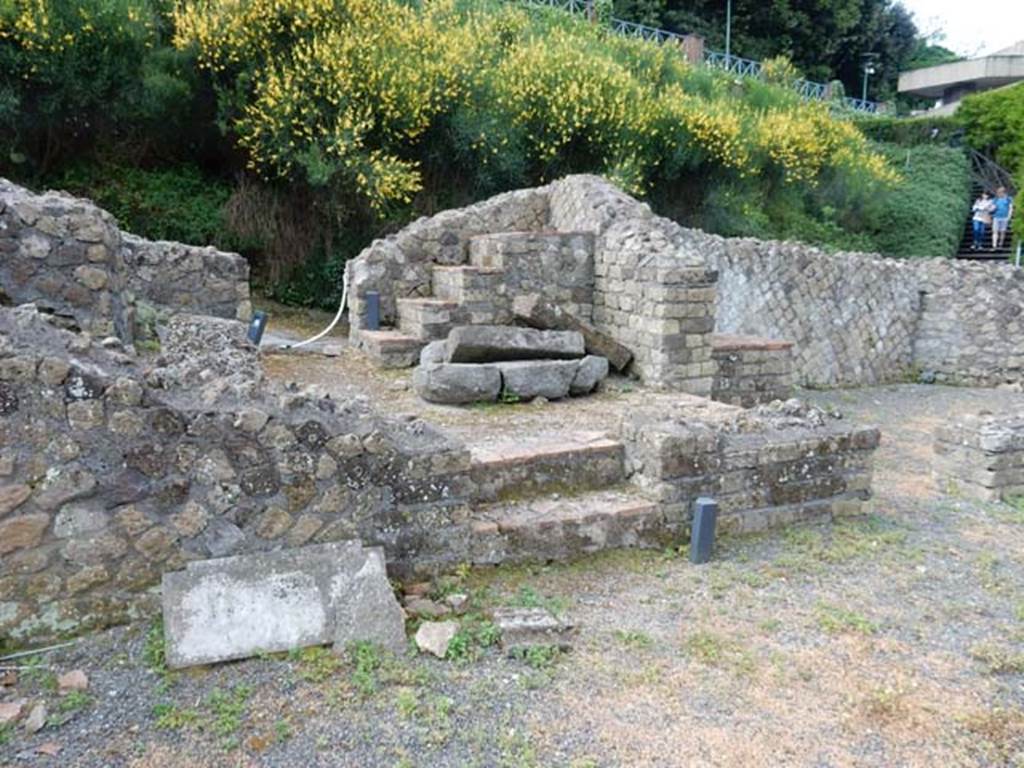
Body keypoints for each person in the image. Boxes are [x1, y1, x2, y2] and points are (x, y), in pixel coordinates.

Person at [992, 186, 1015, 251]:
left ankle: (1000, 244)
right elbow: (993, 207)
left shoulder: (1008, 199)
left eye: (1000, 193)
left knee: (1002, 231)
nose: (999, 194)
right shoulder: (996, 199)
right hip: (996, 217)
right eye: (998, 193)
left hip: (1004, 217)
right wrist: (991, 209)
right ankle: (994, 245)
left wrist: (1009, 216)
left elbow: (1010, 208)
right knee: (995, 231)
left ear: (1004, 192)